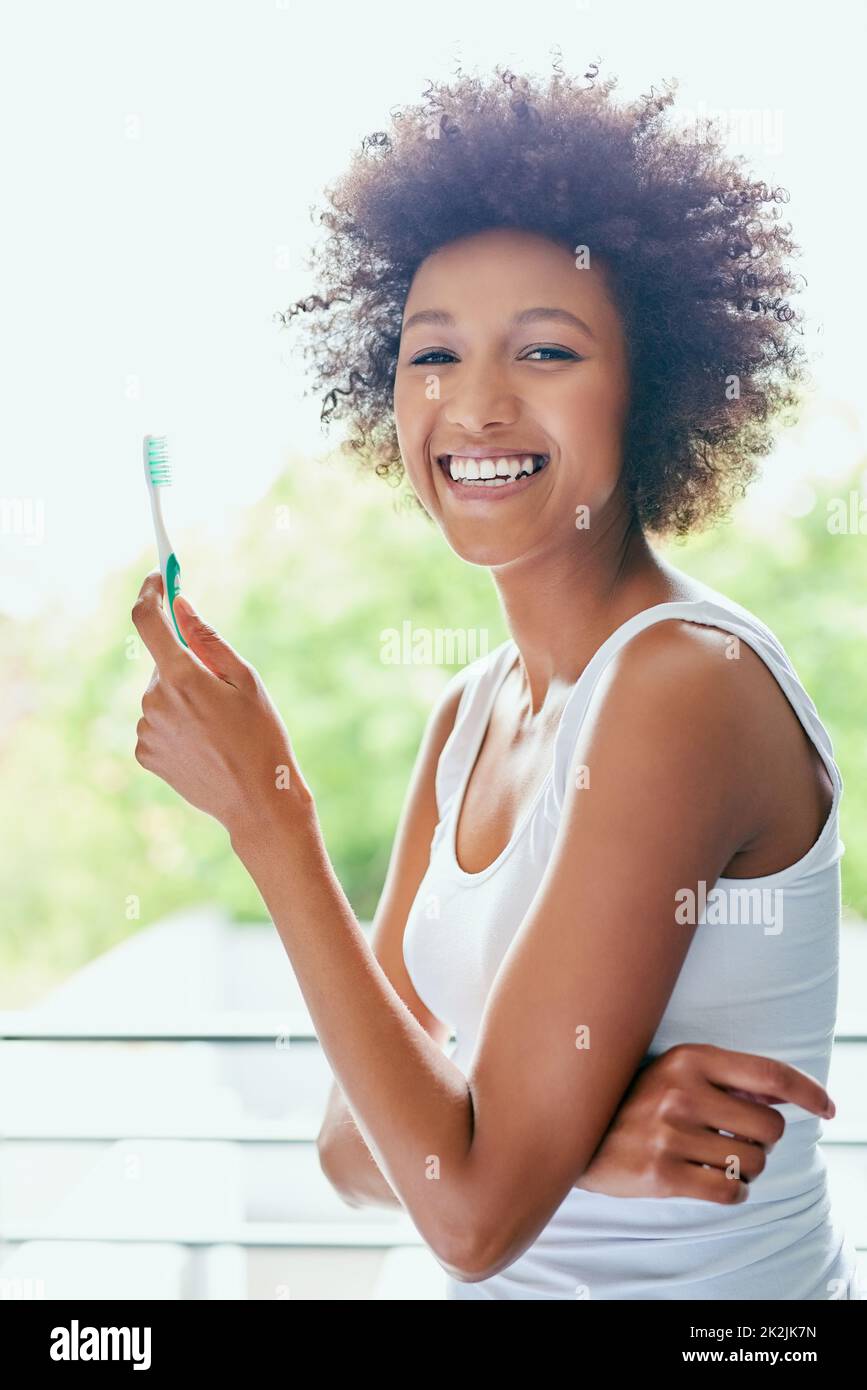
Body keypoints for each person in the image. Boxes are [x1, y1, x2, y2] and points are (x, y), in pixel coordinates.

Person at [133, 63, 860, 1299]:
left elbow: (466, 1216)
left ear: (657, 387)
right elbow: (351, 1146)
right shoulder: (466, 716)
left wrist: (269, 809)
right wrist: (571, 1139)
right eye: (433, 355)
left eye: (547, 349)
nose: (474, 405)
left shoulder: (685, 681)